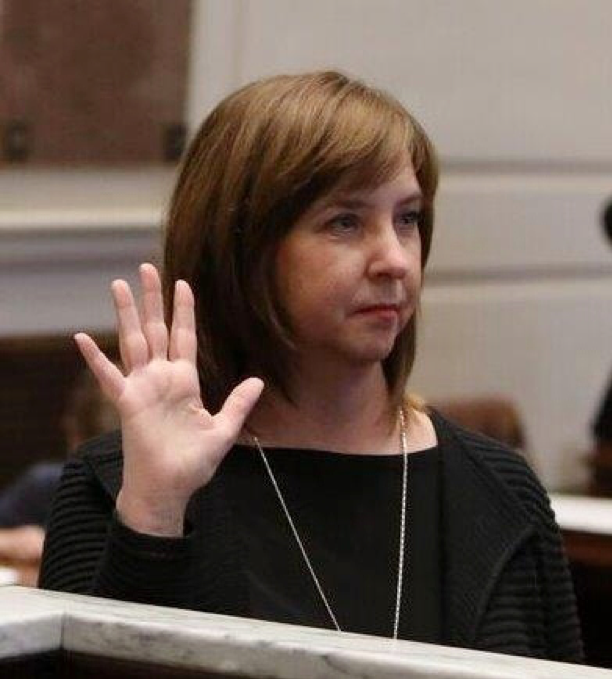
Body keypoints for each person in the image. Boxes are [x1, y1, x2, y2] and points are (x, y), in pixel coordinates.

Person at [39, 71, 583, 661]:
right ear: (244, 251)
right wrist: (155, 515)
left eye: (407, 218)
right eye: (345, 222)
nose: (395, 259)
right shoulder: (119, 485)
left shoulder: (501, 489)